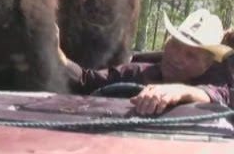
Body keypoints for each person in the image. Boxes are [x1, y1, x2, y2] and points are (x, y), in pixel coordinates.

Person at [58, 9, 234, 116]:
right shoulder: (137, 73)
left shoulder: (221, 84)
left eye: (191, 55)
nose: (177, 57)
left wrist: (180, 92)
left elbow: (219, 95)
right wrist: (55, 52)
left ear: (207, 64)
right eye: (175, 45)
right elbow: (86, 80)